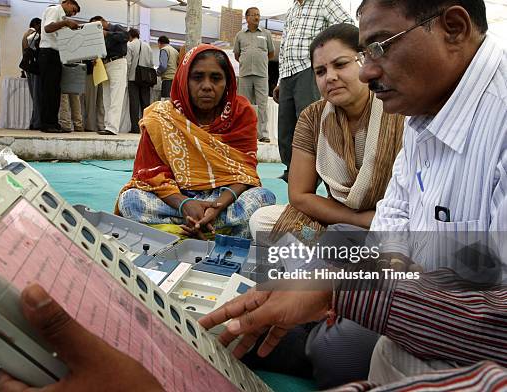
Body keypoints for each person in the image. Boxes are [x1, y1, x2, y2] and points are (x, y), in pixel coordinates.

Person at [204, 0, 507, 387]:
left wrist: (342, 290)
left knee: (343, 346)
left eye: (381, 46)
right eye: (364, 54)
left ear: (454, 27)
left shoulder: (405, 113)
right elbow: (385, 227)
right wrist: (343, 278)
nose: (368, 71)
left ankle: (311, 339)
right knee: (321, 246)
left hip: (461, 339)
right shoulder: (417, 110)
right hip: (390, 265)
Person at [249, 24, 404, 244]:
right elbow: (300, 196)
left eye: (340, 65)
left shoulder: (397, 109)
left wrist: (379, 220)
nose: (330, 77)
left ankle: (336, 258)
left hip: (391, 220)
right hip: (339, 218)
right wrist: (356, 219)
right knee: (261, 221)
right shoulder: (312, 118)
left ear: (366, 60)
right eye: (320, 71)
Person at [116, 45, 276, 239]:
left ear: (227, 82)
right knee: (130, 201)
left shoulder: (240, 112)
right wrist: (185, 204)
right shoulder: (161, 117)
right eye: (197, 77)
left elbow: (245, 173)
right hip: (175, 198)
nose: (207, 86)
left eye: (216, 78)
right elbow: (152, 176)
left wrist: (216, 207)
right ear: (184, 80)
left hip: (220, 199)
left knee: (263, 198)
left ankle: (180, 232)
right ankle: (215, 232)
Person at [275, 0, 353, 181]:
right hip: (288, 73)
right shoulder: (292, 9)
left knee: (310, 123)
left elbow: (346, 25)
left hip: (309, 70)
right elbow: (284, 46)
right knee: (285, 129)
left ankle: (316, 172)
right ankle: (291, 171)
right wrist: (280, 79)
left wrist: (327, 58)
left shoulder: (324, 2)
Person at [233, 7, 275, 143]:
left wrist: (260, 61)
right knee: (245, 105)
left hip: (261, 75)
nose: (257, 17)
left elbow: (271, 53)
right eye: (254, 15)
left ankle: (262, 134)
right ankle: (245, 132)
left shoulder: (266, 33)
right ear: (247, 18)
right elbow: (237, 55)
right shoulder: (240, 35)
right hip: (245, 74)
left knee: (262, 104)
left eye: (258, 15)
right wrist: (247, 61)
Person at [38, 0, 79, 133]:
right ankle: (47, 123)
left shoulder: (61, 17)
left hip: (56, 54)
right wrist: (66, 23)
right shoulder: (55, 10)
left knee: (55, 91)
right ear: (67, 2)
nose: (72, 13)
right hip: (48, 52)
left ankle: (53, 123)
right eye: (73, 9)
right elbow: (47, 28)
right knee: (48, 89)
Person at [94, 16, 128, 136]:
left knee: (116, 97)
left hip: (118, 62)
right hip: (104, 64)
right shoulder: (99, 35)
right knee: (106, 97)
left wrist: (107, 34)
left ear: (103, 22)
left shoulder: (115, 28)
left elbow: (125, 37)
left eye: (96, 25)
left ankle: (112, 127)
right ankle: (108, 125)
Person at [126, 28, 153, 134]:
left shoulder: (130, 45)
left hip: (133, 78)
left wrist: (127, 76)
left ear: (130, 36)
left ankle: (135, 128)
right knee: (146, 104)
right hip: (145, 78)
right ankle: (146, 127)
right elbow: (151, 63)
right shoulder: (147, 46)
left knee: (134, 103)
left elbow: (128, 62)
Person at [83, 15, 105, 133]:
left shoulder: (103, 38)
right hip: (90, 72)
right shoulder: (86, 39)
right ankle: (90, 126)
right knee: (90, 101)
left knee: (101, 101)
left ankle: (101, 125)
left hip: (102, 72)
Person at [22, 17, 41, 130]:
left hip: (28, 67)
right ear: (37, 25)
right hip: (34, 67)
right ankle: (36, 122)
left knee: (35, 96)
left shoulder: (25, 34)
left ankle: (34, 121)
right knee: (37, 96)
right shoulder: (32, 34)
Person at [156, 35, 179, 100]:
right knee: (173, 101)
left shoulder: (164, 50)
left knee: (166, 102)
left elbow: (163, 66)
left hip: (167, 80)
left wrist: (158, 72)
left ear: (159, 43)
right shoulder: (175, 51)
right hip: (175, 80)